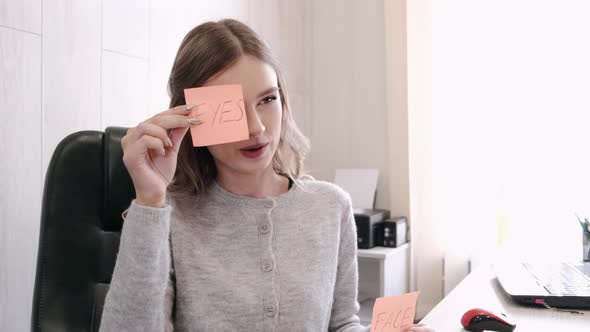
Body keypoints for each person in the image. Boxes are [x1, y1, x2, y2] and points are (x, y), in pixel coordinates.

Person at [100, 19, 433, 332]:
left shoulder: (332, 207)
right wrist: (150, 199)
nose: (256, 128)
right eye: (231, 109)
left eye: (267, 100)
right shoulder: (170, 217)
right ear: (186, 117)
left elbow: (342, 322)